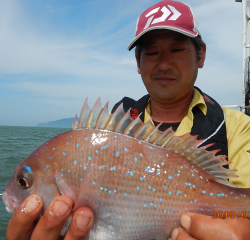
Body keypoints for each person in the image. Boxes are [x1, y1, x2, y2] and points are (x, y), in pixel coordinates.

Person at [6, 0, 250, 239]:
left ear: (201, 55)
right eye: (152, 52)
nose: (164, 63)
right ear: (138, 63)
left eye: (176, 49)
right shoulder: (114, 125)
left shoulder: (238, 129)